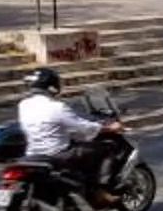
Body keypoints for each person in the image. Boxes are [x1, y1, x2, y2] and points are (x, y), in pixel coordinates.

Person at [18, 67, 119, 195]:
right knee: (107, 147)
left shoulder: (23, 105)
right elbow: (82, 127)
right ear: (52, 86)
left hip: (33, 153)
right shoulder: (56, 107)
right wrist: (109, 128)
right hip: (58, 152)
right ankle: (101, 189)